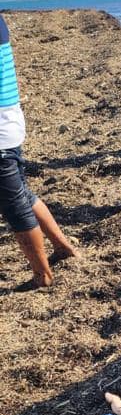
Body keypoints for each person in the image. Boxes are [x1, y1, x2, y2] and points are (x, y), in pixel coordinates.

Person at [0, 14, 79, 288]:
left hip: (1, 130)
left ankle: (41, 275)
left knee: (14, 206)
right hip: (8, 122)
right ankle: (62, 246)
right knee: (21, 193)